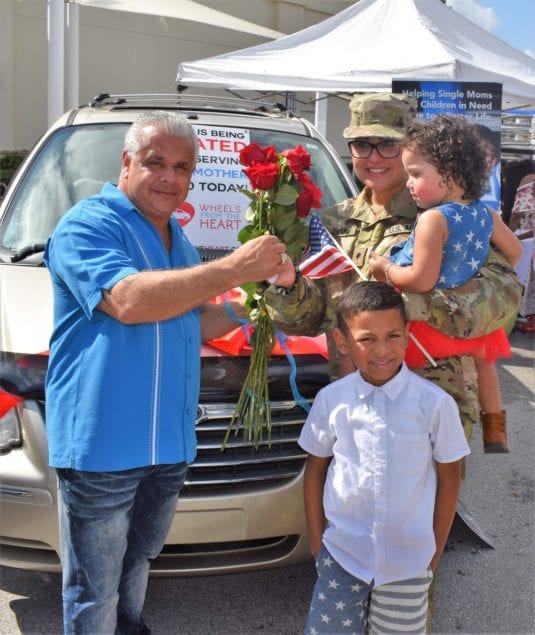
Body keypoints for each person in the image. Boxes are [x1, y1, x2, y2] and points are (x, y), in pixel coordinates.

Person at [44, 111, 289, 634]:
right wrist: (230, 269)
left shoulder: (176, 236)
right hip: (104, 446)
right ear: (126, 162)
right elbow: (128, 301)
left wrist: (251, 304)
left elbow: (193, 321)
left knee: (137, 563)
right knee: (94, 585)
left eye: (183, 167)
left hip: (168, 444)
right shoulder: (87, 224)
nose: (170, 178)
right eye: (156, 163)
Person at [268, 93, 481, 439]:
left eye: (387, 144)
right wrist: (289, 289)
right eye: (362, 144)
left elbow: (503, 299)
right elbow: (312, 319)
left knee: (427, 493)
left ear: (412, 147)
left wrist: (401, 307)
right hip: (356, 397)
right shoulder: (333, 222)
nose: (374, 157)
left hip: (433, 396)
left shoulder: (449, 216)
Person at [300, 281, 470, 634]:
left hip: (408, 563)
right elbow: (315, 470)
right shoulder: (332, 400)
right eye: (367, 339)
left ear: (408, 335)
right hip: (342, 555)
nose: (382, 350)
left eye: (393, 336)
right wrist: (318, 545)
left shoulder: (435, 405)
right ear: (343, 342)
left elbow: (449, 478)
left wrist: (433, 554)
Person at [370, 115, 521, 453]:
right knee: (485, 366)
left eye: (416, 173)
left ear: (449, 173)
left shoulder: (434, 219)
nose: (409, 183)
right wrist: (475, 278)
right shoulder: (486, 214)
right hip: (473, 319)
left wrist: (386, 269)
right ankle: (495, 429)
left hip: (431, 328)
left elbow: (421, 280)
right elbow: (515, 251)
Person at [505, 160, 535, 328]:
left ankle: (518, 315)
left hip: (525, 239)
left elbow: (518, 213)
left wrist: (507, 234)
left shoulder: (528, 179)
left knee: (520, 278)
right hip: (530, 236)